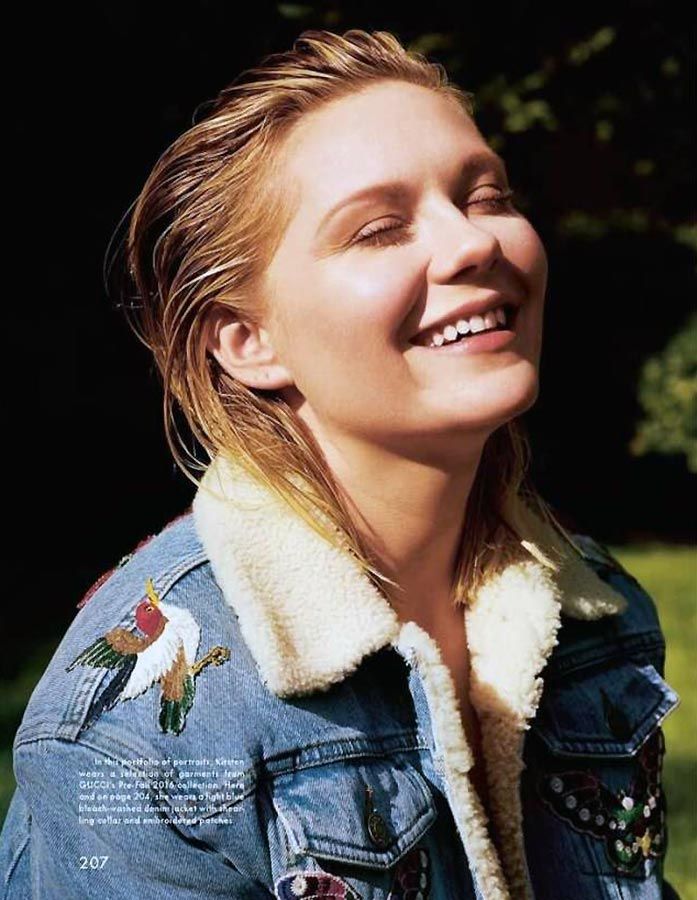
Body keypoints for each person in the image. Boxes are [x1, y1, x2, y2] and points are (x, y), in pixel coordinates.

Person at [0, 28, 681, 900]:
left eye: (485, 196)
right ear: (248, 341)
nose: (473, 244)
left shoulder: (596, 613)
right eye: (378, 229)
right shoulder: (141, 734)